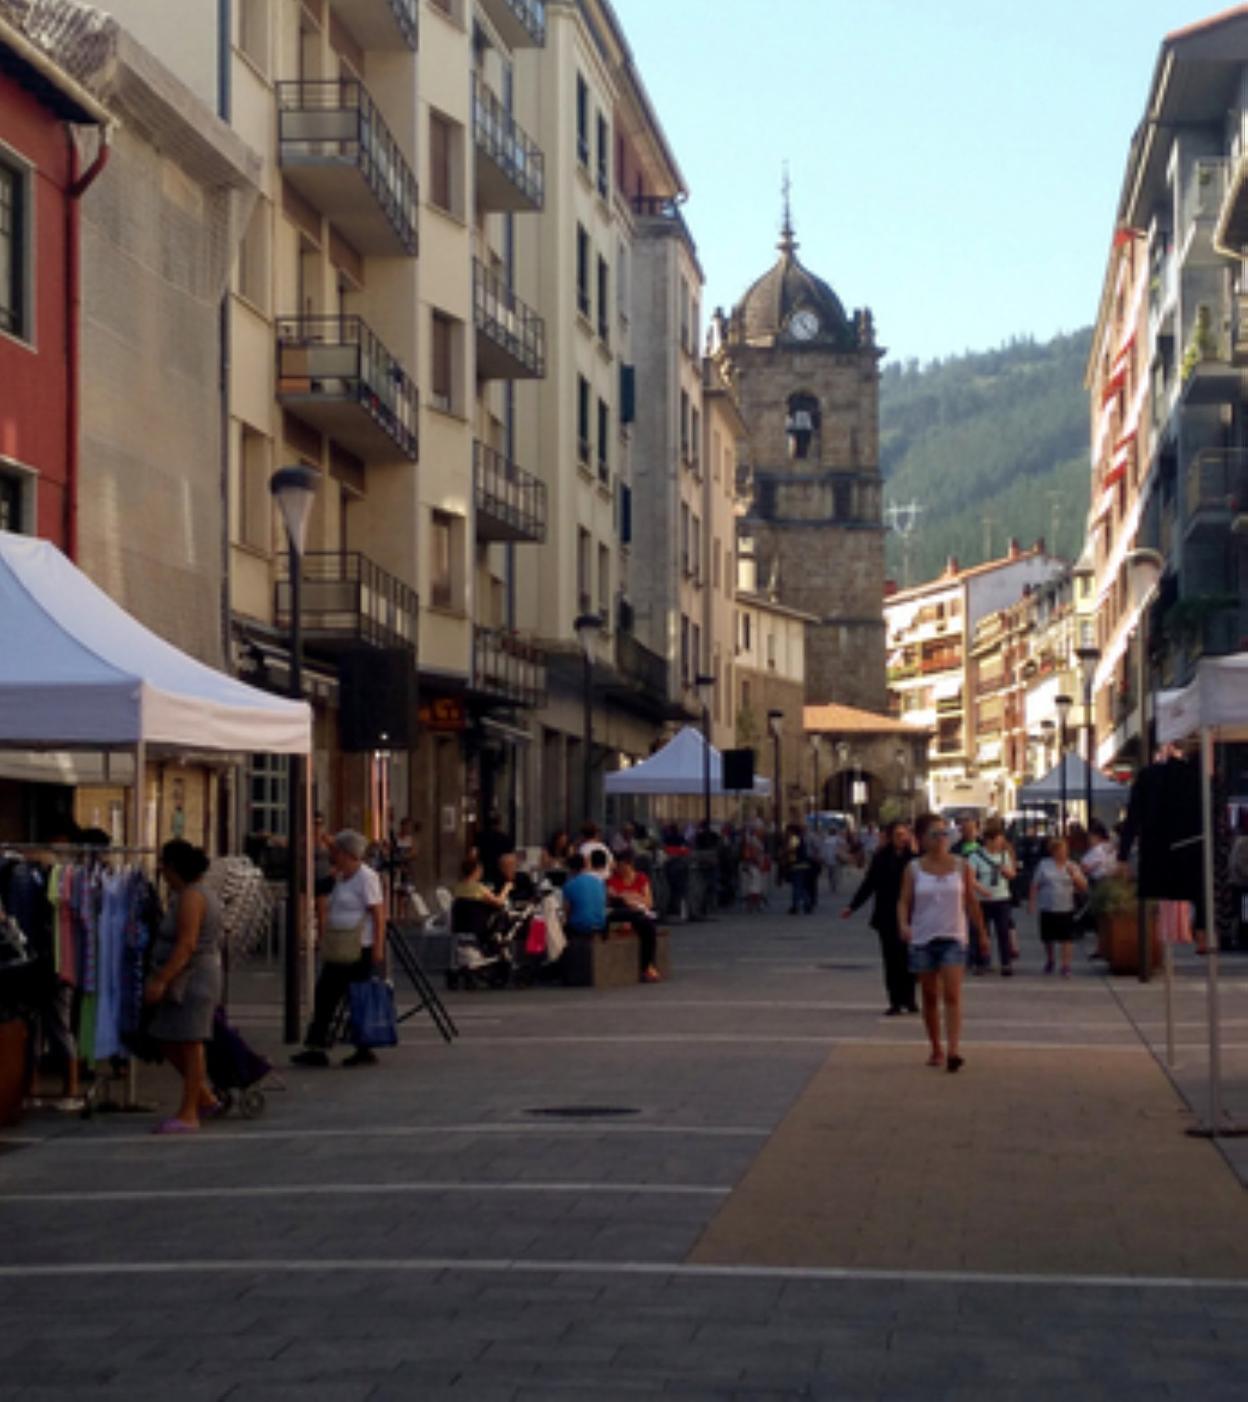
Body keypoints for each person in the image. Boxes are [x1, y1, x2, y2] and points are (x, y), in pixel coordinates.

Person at [144, 840, 224, 1133]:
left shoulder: (192, 896)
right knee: (166, 1037)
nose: (161, 871)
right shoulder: (189, 894)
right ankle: (204, 1097)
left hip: (193, 979)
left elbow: (187, 943)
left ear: (174, 868)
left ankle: (190, 1112)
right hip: (190, 976)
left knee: (191, 1042)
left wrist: (161, 979)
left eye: (164, 865)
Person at [897, 813, 987, 1072]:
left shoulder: (961, 866)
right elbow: (904, 900)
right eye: (934, 834)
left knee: (952, 993)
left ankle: (953, 1050)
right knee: (929, 995)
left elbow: (971, 901)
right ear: (923, 839)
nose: (940, 839)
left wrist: (982, 933)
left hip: (953, 936)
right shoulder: (914, 869)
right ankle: (936, 1046)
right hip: (923, 936)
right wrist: (903, 924)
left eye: (944, 833)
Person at [293, 830, 386, 1069]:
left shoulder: (367, 877)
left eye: (336, 852)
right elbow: (318, 890)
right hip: (338, 946)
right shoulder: (340, 877)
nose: (333, 856)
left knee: (357, 997)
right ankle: (316, 1046)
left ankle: (363, 1048)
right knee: (325, 994)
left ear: (347, 854)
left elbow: (378, 914)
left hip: (359, 947)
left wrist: (378, 947)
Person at [841, 821, 917, 1016]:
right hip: (887, 915)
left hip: (911, 916)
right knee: (891, 959)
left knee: (909, 958)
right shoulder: (882, 858)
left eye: (905, 834)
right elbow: (869, 884)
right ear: (891, 837)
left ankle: (910, 998)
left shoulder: (914, 859)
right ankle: (895, 1001)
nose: (902, 838)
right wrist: (852, 906)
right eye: (898, 835)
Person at [1030, 836, 1088, 976]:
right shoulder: (1044, 865)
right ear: (1053, 852)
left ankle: (1066, 965)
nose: (1063, 853)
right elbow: (1035, 885)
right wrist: (1032, 902)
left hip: (1065, 907)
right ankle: (1050, 960)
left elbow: (1083, 887)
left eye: (1065, 850)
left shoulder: (1072, 866)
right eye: (1060, 850)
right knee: (1048, 938)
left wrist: (1074, 876)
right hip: (1048, 906)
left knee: (1066, 938)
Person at [967, 819, 1017, 976]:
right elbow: (970, 878)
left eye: (1001, 840)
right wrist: (981, 890)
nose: (1000, 843)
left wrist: (1008, 873)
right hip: (982, 900)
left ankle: (1006, 963)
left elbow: (1012, 874)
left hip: (1002, 898)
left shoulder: (1004, 855)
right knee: (982, 932)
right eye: (998, 840)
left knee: (1003, 931)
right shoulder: (975, 856)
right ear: (989, 840)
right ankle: (981, 962)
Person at [606, 850, 662, 983]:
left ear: (629, 865)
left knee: (647, 926)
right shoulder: (612, 880)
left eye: (622, 866)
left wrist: (630, 898)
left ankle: (647, 965)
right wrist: (633, 898)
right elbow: (611, 898)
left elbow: (649, 902)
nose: (619, 869)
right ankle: (647, 966)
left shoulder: (641, 878)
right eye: (618, 866)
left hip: (639, 913)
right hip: (621, 913)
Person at [562, 852, 606, 936]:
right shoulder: (599, 882)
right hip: (600, 924)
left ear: (570, 869)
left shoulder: (569, 885)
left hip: (579, 926)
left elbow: (567, 911)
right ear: (585, 866)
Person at [477, 812, 513, 889]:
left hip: (483, 873)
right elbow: (507, 860)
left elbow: (473, 854)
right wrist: (509, 877)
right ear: (499, 823)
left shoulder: (479, 836)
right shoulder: (504, 838)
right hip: (499, 874)